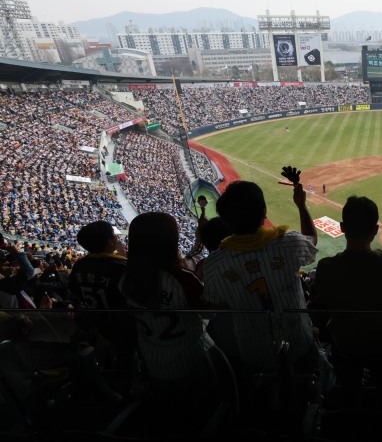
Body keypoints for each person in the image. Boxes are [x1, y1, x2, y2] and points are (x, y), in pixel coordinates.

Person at [202, 169, 319, 379]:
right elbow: (311, 238)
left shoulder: (213, 265)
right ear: (264, 211)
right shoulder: (289, 243)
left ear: (227, 221)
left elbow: (214, 307)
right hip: (299, 343)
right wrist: (301, 205)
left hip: (254, 354)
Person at [122, 212, 233, 404]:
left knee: (171, 405)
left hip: (152, 357)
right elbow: (211, 311)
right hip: (190, 356)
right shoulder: (183, 280)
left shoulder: (125, 279)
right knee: (218, 396)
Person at [309, 196, 382, 407]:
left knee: (349, 393)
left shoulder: (327, 267)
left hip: (344, 345)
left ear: (343, 228)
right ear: (375, 229)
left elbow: (321, 301)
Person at [68, 220, 135, 372]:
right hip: (122, 325)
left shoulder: (79, 265)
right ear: (111, 242)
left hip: (96, 324)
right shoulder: (120, 266)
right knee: (126, 359)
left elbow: (74, 290)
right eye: (114, 236)